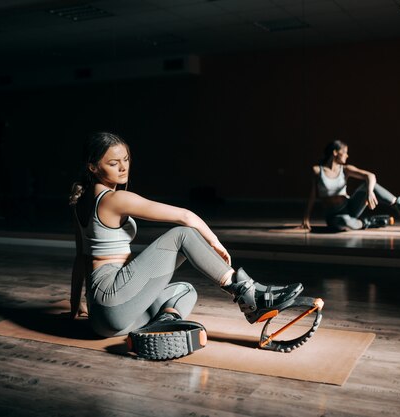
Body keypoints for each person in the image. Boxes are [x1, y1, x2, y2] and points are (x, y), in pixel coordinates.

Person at [69, 132, 302, 358]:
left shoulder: (81, 201)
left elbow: (81, 257)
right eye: (113, 162)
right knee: (182, 234)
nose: (123, 167)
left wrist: (76, 304)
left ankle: (162, 326)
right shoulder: (115, 199)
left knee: (185, 291)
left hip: (103, 319)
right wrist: (214, 242)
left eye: (126, 159)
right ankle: (249, 294)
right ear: (93, 167)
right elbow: (185, 216)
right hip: (113, 300)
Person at [301, 140, 400, 232]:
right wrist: (306, 218)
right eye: (344, 152)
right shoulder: (317, 171)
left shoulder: (345, 169)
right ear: (335, 152)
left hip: (350, 207)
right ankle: (370, 222)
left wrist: (370, 192)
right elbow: (312, 196)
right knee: (344, 223)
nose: (347, 155)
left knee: (369, 185)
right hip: (334, 216)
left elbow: (370, 176)